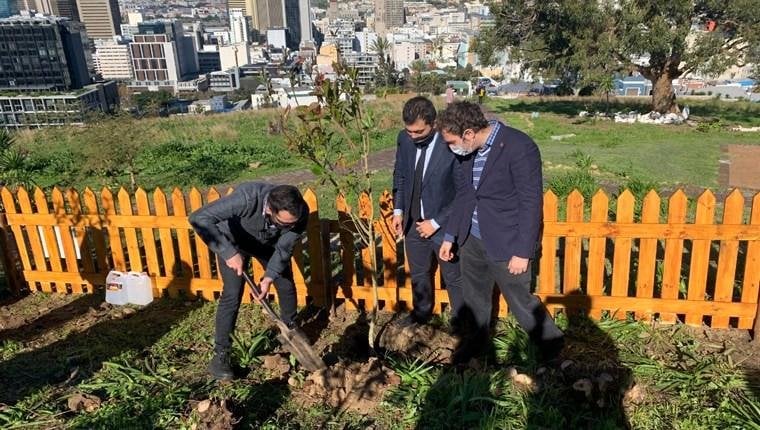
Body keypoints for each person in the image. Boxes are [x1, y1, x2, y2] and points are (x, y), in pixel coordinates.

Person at [437, 101, 564, 362]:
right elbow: (464, 196)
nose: (450, 148)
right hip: (471, 240)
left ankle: (553, 348)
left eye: (451, 142)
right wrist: (451, 236)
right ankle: (476, 344)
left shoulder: (519, 147)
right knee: (474, 300)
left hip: (507, 243)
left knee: (521, 301)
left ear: (469, 134)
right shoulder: (467, 153)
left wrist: (522, 252)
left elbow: (530, 203)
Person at [189, 182, 309, 380]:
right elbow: (199, 218)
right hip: (233, 241)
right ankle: (221, 354)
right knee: (232, 293)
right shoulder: (247, 199)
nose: (288, 227)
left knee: (284, 281)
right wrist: (228, 253)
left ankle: (290, 328)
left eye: (291, 225)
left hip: (267, 243)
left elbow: (283, 249)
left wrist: (268, 277)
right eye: (283, 224)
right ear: (269, 209)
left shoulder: (300, 213)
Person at [392, 96, 464, 328]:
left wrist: (436, 222)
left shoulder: (451, 144)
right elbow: (401, 176)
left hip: (445, 224)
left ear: (433, 124)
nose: (413, 137)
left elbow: (463, 193)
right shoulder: (404, 139)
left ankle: (460, 321)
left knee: (453, 276)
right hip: (413, 222)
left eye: (419, 132)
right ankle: (421, 314)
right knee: (419, 273)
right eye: (409, 131)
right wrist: (399, 210)